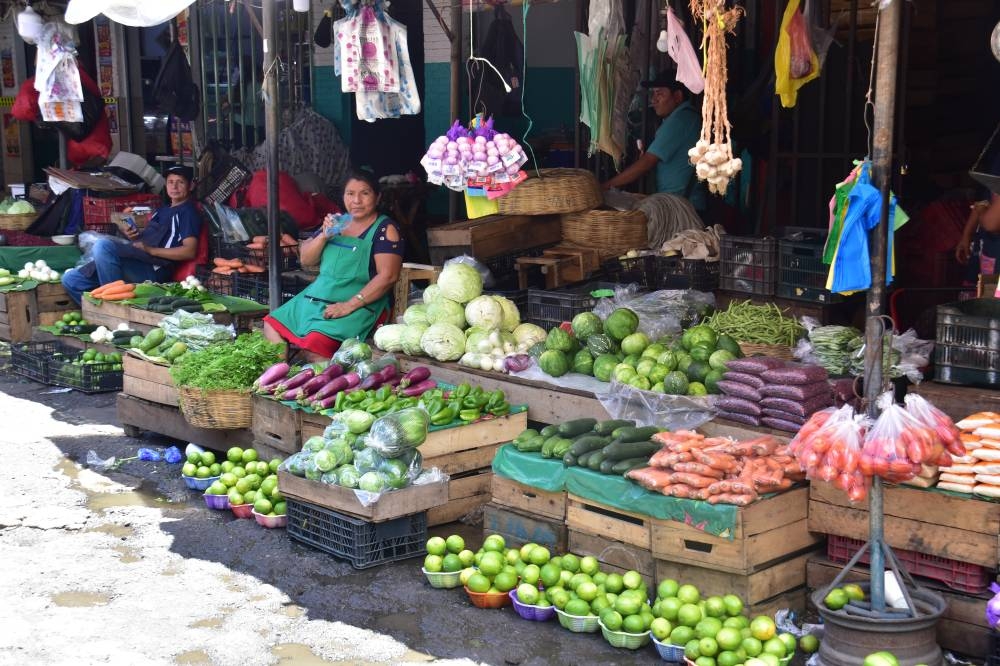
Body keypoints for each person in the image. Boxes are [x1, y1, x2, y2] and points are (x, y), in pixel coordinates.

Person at [263, 169, 404, 362]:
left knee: (314, 344)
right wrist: (324, 235)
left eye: (365, 193)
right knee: (272, 324)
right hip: (318, 296)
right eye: (350, 194)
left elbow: (388, 276)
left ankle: (323, 384)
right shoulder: (337, 222)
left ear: (377, 197)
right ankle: (276, 377)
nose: (356, 201)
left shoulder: (384, 229)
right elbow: (306, 259)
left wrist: (349, 305)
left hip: (360, 303)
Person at [61, 165, 201, 305]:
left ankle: (114, 305)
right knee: (71, 280)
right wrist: (133, 235)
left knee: (103, 245)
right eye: (171, 182)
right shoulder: (163, 209)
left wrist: (151, 250)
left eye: (180, 182)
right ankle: (104, 316)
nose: (174, 187)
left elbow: (189, 251)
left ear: (191, 186)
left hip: (154, 269)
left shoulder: (187, 212)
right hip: (137, 260)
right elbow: (151, 238)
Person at [602, 68, 706, 214]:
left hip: (684, 208)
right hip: (681, 204)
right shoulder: (683, 117)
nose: (654, 100)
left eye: (660, 94)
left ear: (677, 96)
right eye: (653, 94)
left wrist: (608, 185)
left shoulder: (680, 120)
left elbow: (647, 162)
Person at [955, 193, 1000, 282]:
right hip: (987, 250)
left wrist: (982, 211)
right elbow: (982, 202)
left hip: (995, 256)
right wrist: (967, 233)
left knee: (991, 292)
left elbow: (991, 224)